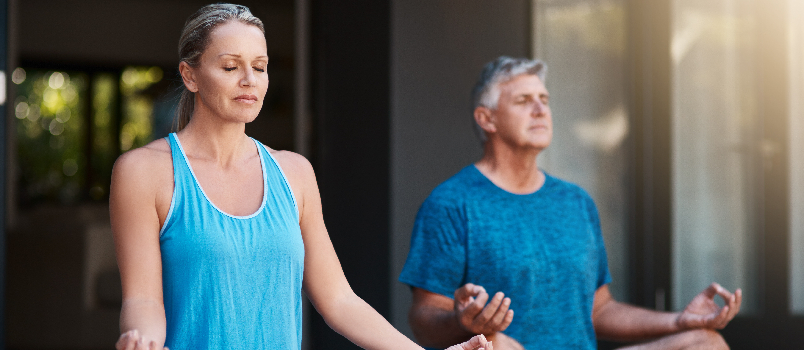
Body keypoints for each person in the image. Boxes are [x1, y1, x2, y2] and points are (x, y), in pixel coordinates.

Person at [110, 4, 493, 350]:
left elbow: (339, 301)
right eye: (230, 67)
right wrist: (142, 341)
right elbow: (143, 300)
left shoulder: (294, 172)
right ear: (190, 76)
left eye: (259, 67)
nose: (250, 80)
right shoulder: (144, 172)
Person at [398, 56, 743, 350]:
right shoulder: (451, 203)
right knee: (497, 342)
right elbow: (424, 318)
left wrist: (679, 320)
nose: (539, 109)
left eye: (544, 99)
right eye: (523, 101)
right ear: (486, 119)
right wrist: (464, 322)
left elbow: (599, 311)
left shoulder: (576, 202)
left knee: (704, 342)